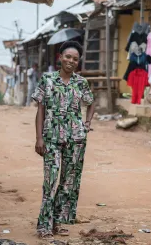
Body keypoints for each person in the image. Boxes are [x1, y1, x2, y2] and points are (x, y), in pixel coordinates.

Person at [32, 41, 95, 240]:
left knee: (68, 182)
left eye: (75, 59)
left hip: (75, 140)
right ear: (60, 57)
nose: (71, 61)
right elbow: (40, 110)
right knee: (50, 181)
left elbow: (91, 103)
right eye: (68, 57)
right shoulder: (47, 79)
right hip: (51, 138)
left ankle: (58, 222)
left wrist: (87, 123)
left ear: (78, 62)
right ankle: (44, 224)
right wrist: (39, 138)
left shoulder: (81, 83)